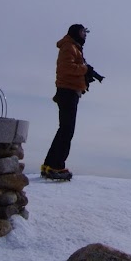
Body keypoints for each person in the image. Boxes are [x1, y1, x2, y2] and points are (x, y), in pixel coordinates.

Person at [41, 23, 90, 181]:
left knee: (64, 130)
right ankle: (56, 167)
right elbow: (68, 68)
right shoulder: (69, 46)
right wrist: (85, 69)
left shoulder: (73, 47)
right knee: (67, 130)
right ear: (76, 32)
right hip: (67, 92)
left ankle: (50, 165)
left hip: (69, 92)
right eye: (83, 32)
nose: (85, 35)